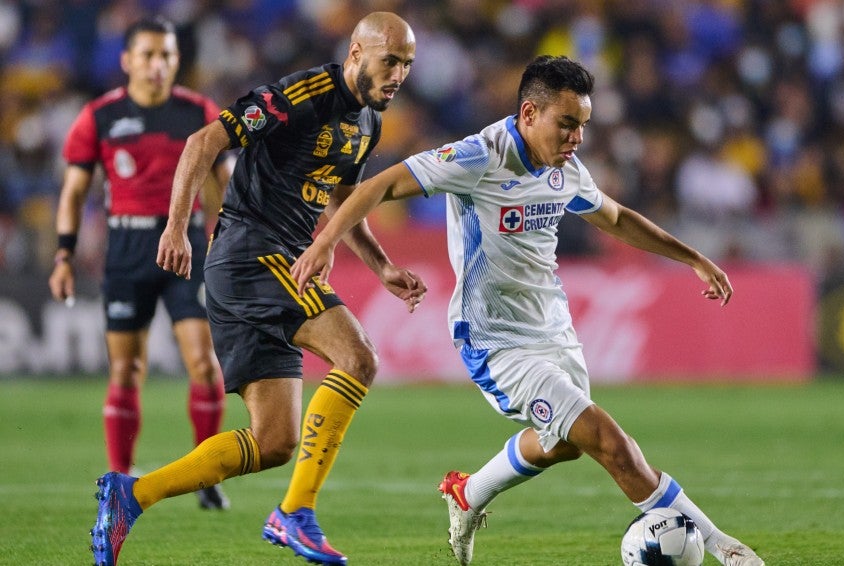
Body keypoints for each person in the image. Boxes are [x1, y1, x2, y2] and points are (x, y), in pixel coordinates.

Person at [293, 55, 766, 566]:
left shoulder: (565, 169)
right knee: (611, 442)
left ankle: (468, 493)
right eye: (566, 125)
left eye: (582, 126)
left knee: (564, 443)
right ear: (528, 114)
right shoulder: (478, 157)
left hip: (553, 329)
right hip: (495, 339)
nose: (576, 139)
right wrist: (327, 245)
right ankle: (725, 548)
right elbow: (376, 186)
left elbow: (616, 217)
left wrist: (691, 257)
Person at [89, 11, 423, 566]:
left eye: (408, 66)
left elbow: (345, 200)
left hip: (271, 266)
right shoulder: (302, 94)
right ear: (357, 52)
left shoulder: (369, 123)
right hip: (250, 256)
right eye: (391, 61)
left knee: (274, 442)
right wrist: (177, 226)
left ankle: (132, 495)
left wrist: (382, 266)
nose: (399, 76)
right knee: (358, 357)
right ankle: (295, 514)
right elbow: (202, 142)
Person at [49, 17, 232, 511]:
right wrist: (63, 254)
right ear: (127, 60)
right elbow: (74, 191)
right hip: (126, 250)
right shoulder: (100, 116)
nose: (158, 65)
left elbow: (226, 180)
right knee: (127, 369)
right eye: (148, 55)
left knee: (202, 361)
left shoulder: (199, 111)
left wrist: (225, 232)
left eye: (167, 55)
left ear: (177, 60)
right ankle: (119, 474)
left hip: (187, 248)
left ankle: (204, 472)